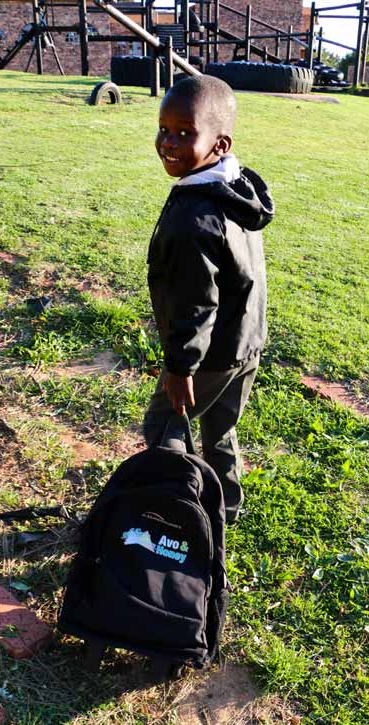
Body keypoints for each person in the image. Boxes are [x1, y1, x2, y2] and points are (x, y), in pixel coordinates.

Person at [144, 75, 274, 523]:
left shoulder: (193, 217)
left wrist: (180, 369)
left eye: (185, 132)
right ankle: (224, 510)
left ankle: (175, 512)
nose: (169, 142)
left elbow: (196, 304)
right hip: (246, 343)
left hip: (211, 354)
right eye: (164, 128)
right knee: (220, 429)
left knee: (164, 426)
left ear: (219, 144)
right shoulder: (233, 190)